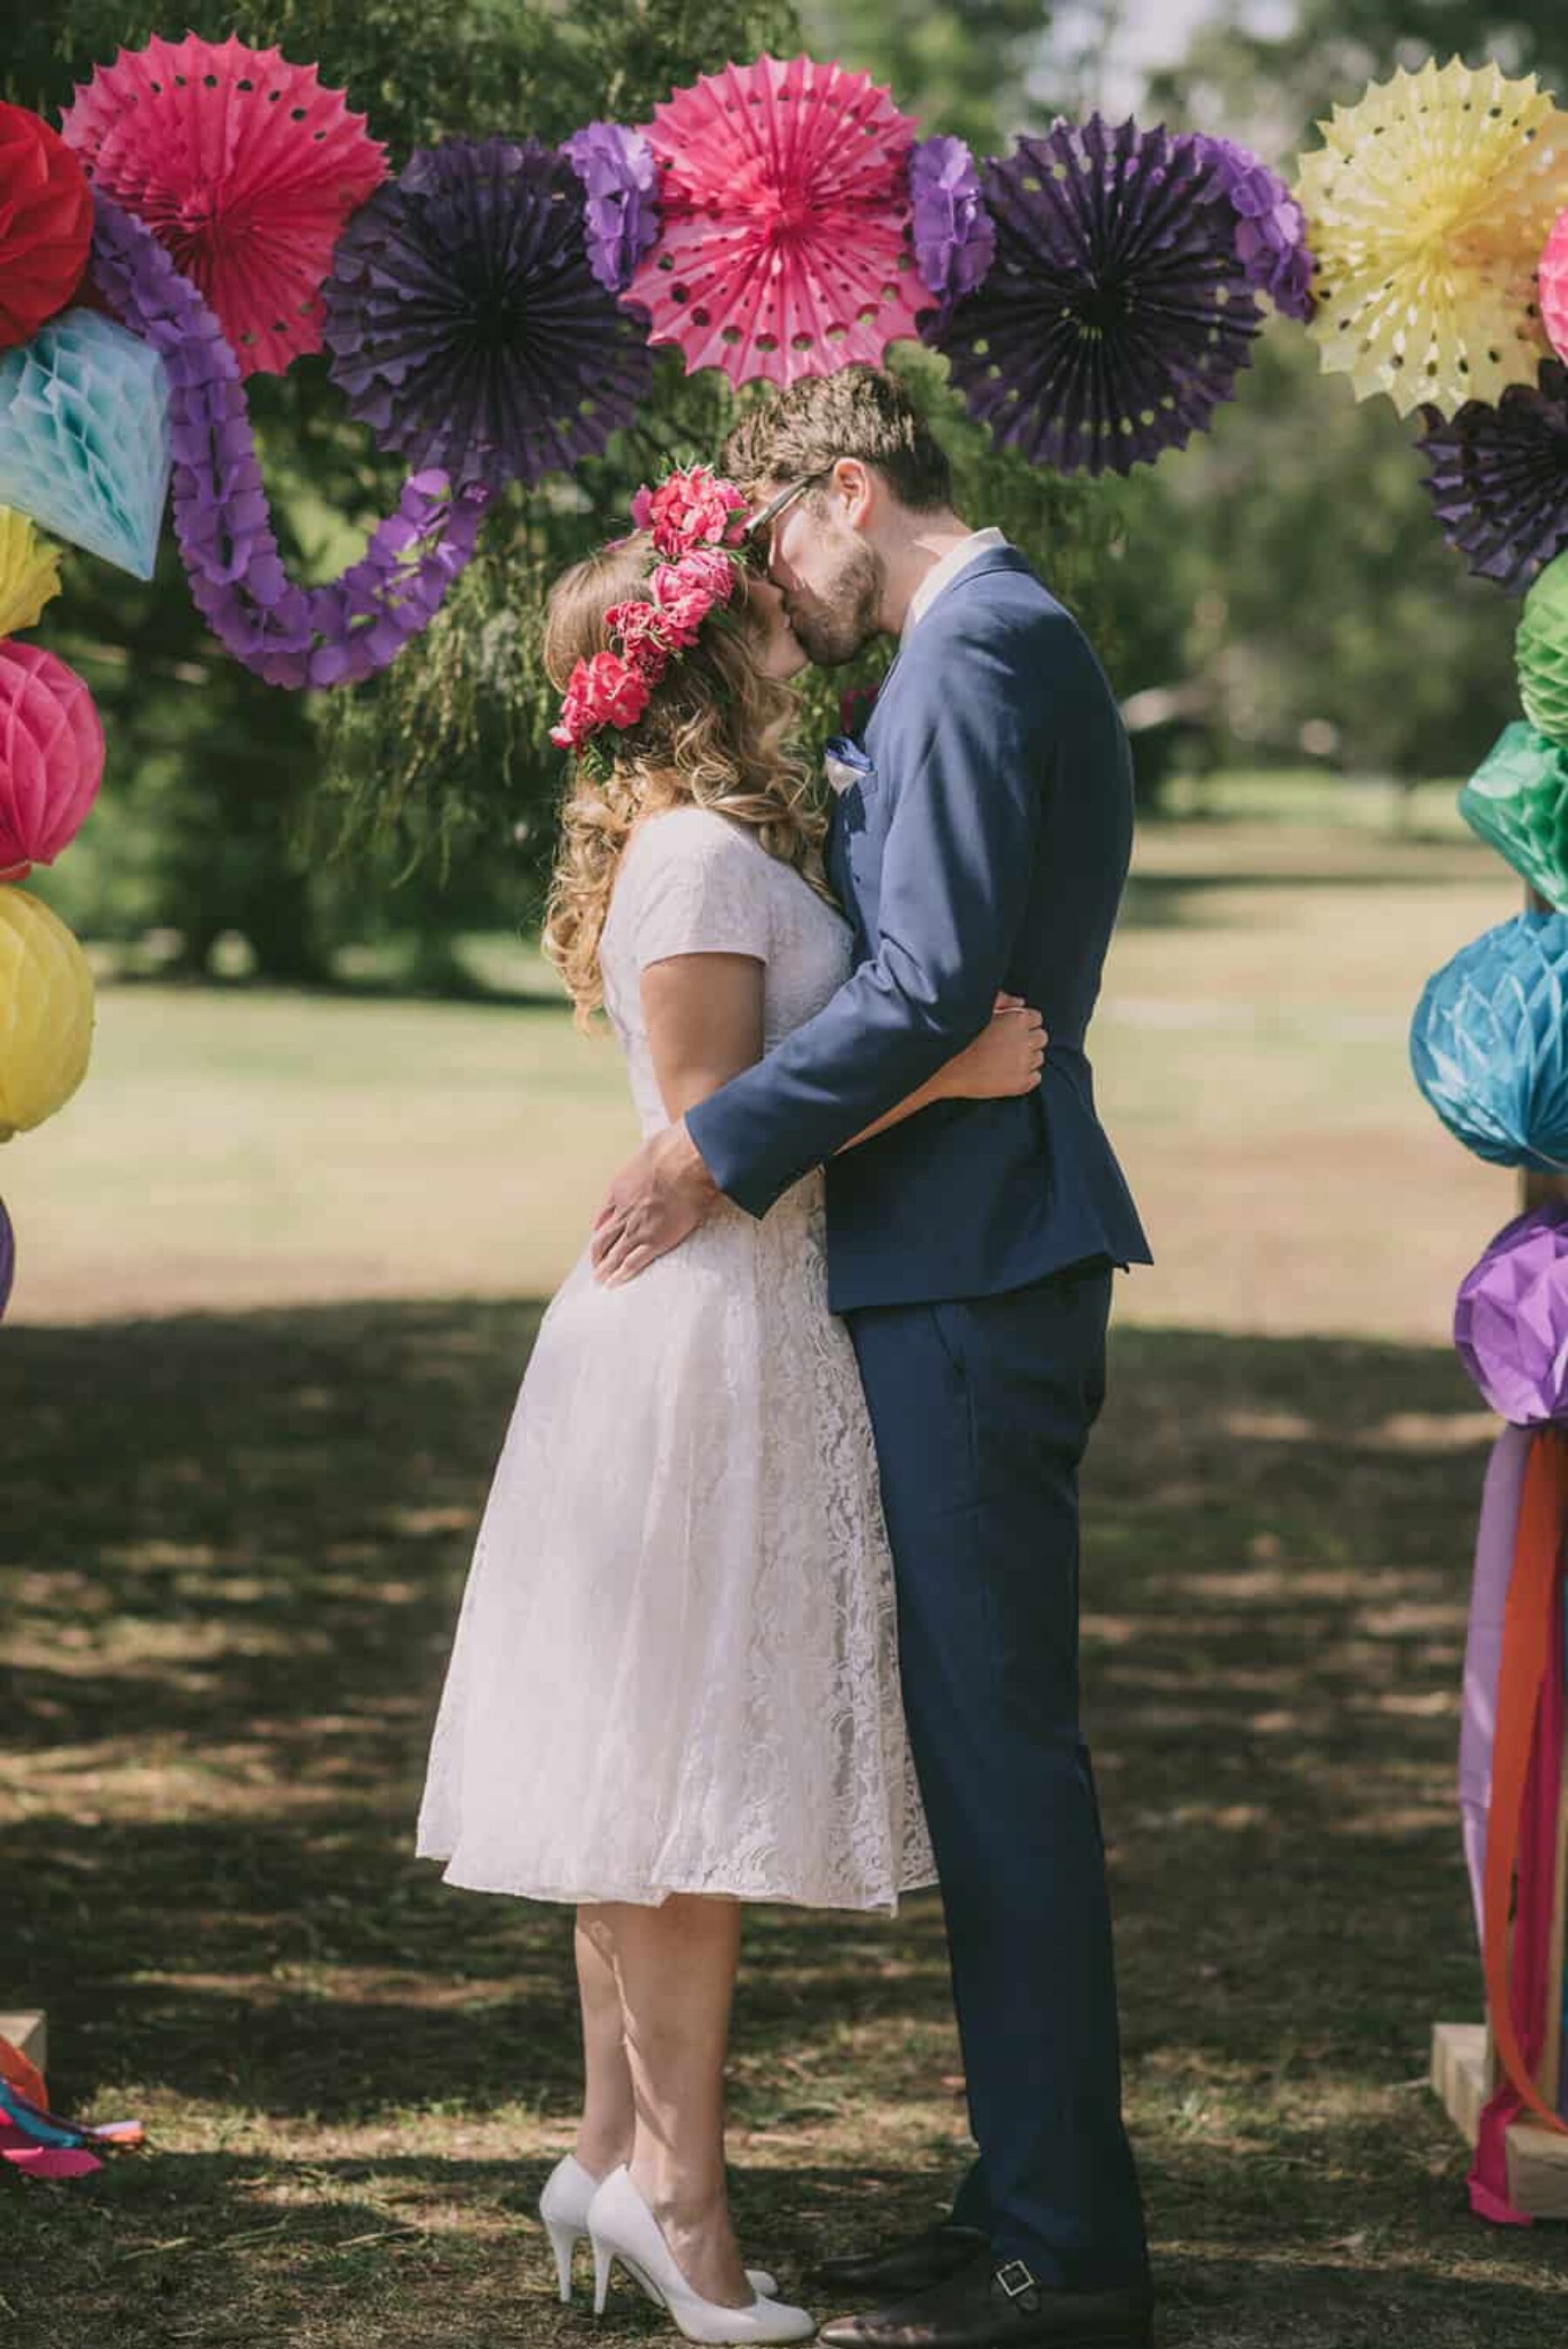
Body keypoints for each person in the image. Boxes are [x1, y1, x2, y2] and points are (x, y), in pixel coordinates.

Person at [414, 470, 1049, 2346]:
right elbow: (705, 1144)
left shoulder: (729, 834)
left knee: (661, 1766)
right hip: (695, 1343)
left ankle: (611, 2149)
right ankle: (679, 2201)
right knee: (672, 1787)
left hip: (749, 1335)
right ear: (704, 655)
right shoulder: (696, 857)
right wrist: (951, 1077)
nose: (788, 597)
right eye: (755, 597)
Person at [589, 368, 1156, 2349]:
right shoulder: (963, 653)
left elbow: (932, 986)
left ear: (851, 487)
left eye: (783, 546)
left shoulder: (981, 650)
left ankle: (1062, 2251)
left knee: (1004, 1762)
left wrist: (708, 1144)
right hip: (950, 1257)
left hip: (983, 1263)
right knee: (985, 1753)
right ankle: (1021, 2198)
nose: (780, 590)